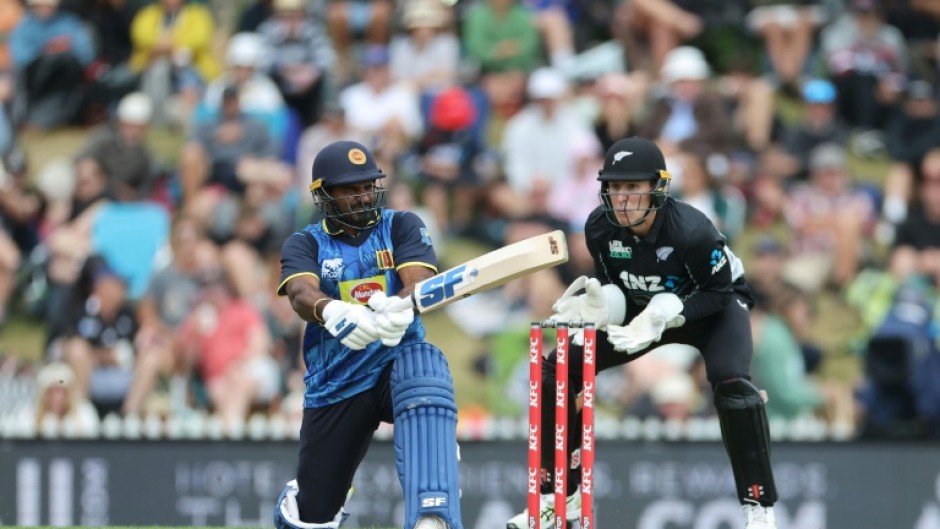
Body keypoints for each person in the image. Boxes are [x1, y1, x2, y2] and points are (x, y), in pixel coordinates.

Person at [507, 136, 778, 529]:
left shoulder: (693, 230)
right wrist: (601, 308)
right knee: (559, 368)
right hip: (641, 312)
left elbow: (719, 292)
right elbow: (614, 287)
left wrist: (669, 314)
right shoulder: (599, 228)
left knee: (733, 386)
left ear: (658, 188)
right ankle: (562, 497)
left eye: (633, 186)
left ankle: (758, 506)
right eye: (614, 187)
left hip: (709, 307)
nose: (622, 198)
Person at [273, 140, 462, 529]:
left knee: (425, 371)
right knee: (312, 516)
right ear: (324, 195)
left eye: (367, 186)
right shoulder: (306, 242)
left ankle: (433, 514)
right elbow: (300, 293)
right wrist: (332, 311)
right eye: (350, 189)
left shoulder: (401, 225)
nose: (363, 196)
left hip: (396, 363)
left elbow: (419, 281)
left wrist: (402, 307)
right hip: (337, 382)